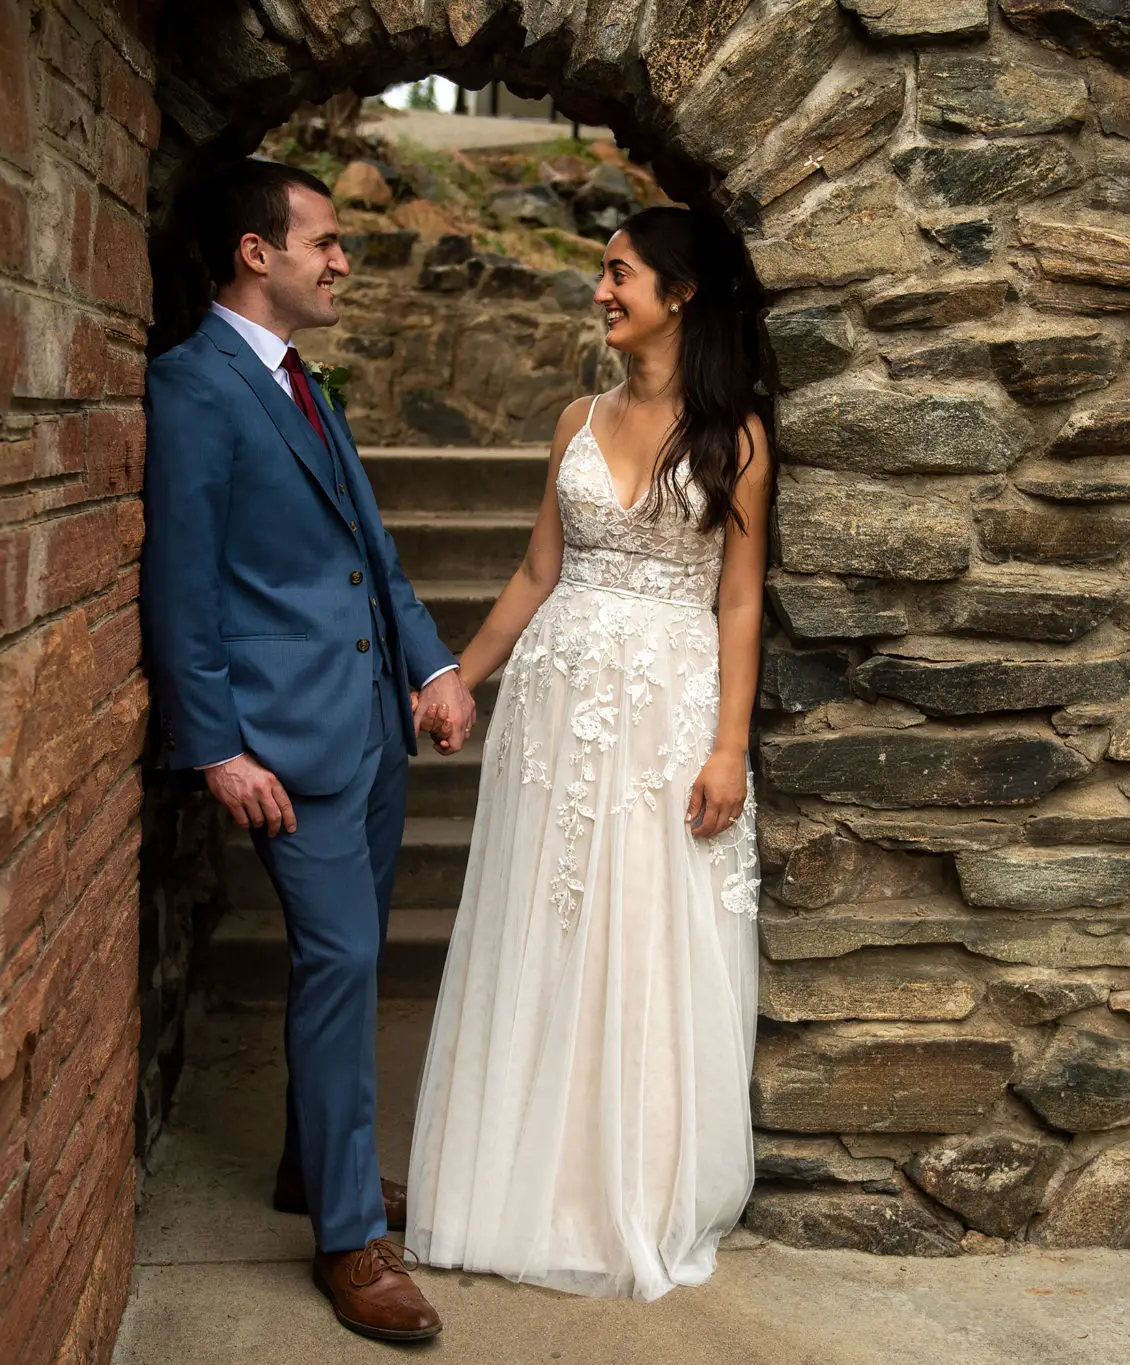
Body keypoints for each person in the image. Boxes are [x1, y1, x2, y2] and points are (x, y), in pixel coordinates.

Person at [405, 206, 773, 1301]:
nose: (602, 290)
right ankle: (520, 1176)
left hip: (668, 711)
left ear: (681, 292)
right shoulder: (574, 416)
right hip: (555, 710)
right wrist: (455, 678)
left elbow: (742, 604)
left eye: (619, 274)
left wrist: (728, 750)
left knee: (645, 927)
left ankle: (636, 1181)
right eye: (602, 273)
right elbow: (533, 572)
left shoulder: (736, 436)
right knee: (545, 921)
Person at [141, 157, 475, 1342]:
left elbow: (368, 555)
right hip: (281, 744)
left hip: (369, 732)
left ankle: (305, 1167)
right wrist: (217, 751)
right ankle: (347, 1238)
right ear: (256, 252)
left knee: (349, 965)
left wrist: (430, 670)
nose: (342, 260)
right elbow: (180, 585)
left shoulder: (305, 386)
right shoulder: (193, 386)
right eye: (325, 242)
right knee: (338, 967)